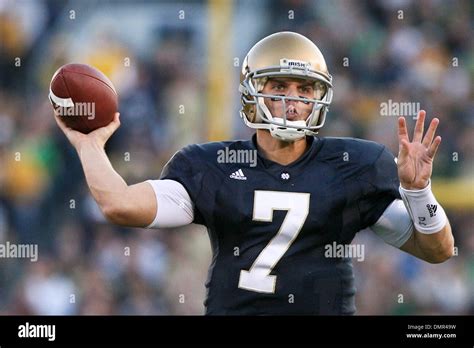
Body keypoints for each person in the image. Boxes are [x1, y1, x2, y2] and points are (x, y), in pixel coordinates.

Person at [54, 31, 454, 315]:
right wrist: (89, 146)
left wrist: (419, 192)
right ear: (252, 92)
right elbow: (119, 205)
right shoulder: (209, 166)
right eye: (279, 86)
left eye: (304, 89)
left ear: (321, 95)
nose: (293, 101)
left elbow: (437, 250)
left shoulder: (356, 165)